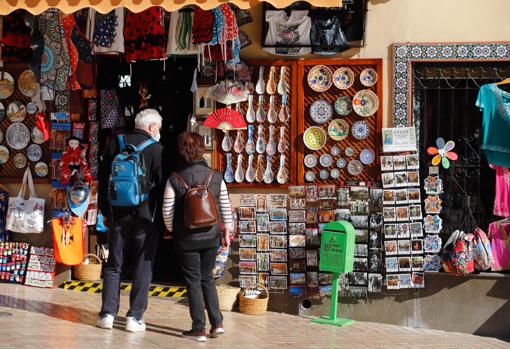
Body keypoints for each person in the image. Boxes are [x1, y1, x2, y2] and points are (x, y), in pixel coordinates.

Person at [96, 108, 164, 332]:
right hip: (146, 217)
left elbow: (104, 178)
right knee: (143, 266)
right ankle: (134, 317)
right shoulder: (157, 149)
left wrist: (106, 212)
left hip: (118, 215)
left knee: (114, 265)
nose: (159, 132)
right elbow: (162, 186)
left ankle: (107, 314)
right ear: (152, 127)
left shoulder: (116, 143)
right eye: (159, 128)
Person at [162, 132, 232, 343]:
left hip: (186, 238)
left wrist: (173, 231)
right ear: (201, 149)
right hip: (211, 236)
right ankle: (217, 323)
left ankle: (198, 328)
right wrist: (226, 231)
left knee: (192, 281)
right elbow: (226, 206)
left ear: (181, 151)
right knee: (207, 279)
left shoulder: (174, 178)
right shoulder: (215, 175)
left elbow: (167, 211)